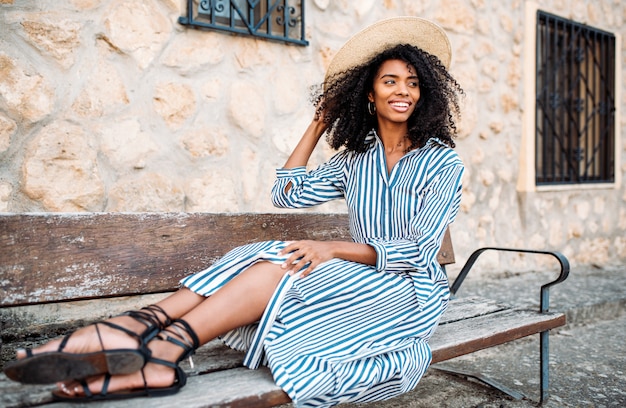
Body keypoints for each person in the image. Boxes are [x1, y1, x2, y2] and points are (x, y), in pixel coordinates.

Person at [3, 16, 465, 407]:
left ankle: (151, 340)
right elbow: (287, 194)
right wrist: (319, 120)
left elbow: (421, 250)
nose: (402, 91)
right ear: (369, 94)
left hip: (408, 293)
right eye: (390, 81)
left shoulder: (442, 161)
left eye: (413, 83)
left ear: (425, 95)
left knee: (282, 261)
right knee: (274, 255)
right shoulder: (356, 159)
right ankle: (145, 333)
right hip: (353, 278)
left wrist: (330, 248)